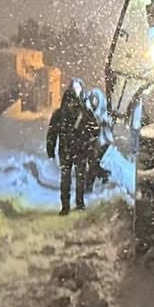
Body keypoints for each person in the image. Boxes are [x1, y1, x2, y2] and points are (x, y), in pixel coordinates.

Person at [46, 79, 99, 214]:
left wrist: (50, 151)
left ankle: (65, 206)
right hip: (80, 150)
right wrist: (89, 144)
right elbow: (95, 130)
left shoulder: (58, 114)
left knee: (65, 178)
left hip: (65, 151)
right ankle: (79, 203)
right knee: (80, 176)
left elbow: (52, 134)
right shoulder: (85, 112)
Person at [84, 87, 114, 188]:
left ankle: (89, 187)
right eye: (93, 100)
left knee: (93, 164)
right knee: (93, 164)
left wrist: (103, 122)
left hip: (102, 142)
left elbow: (107, 124)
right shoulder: (89, 111)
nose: (94, 102)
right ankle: (104, 175)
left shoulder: (103, 113)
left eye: (95, 100)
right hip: (92, 142)